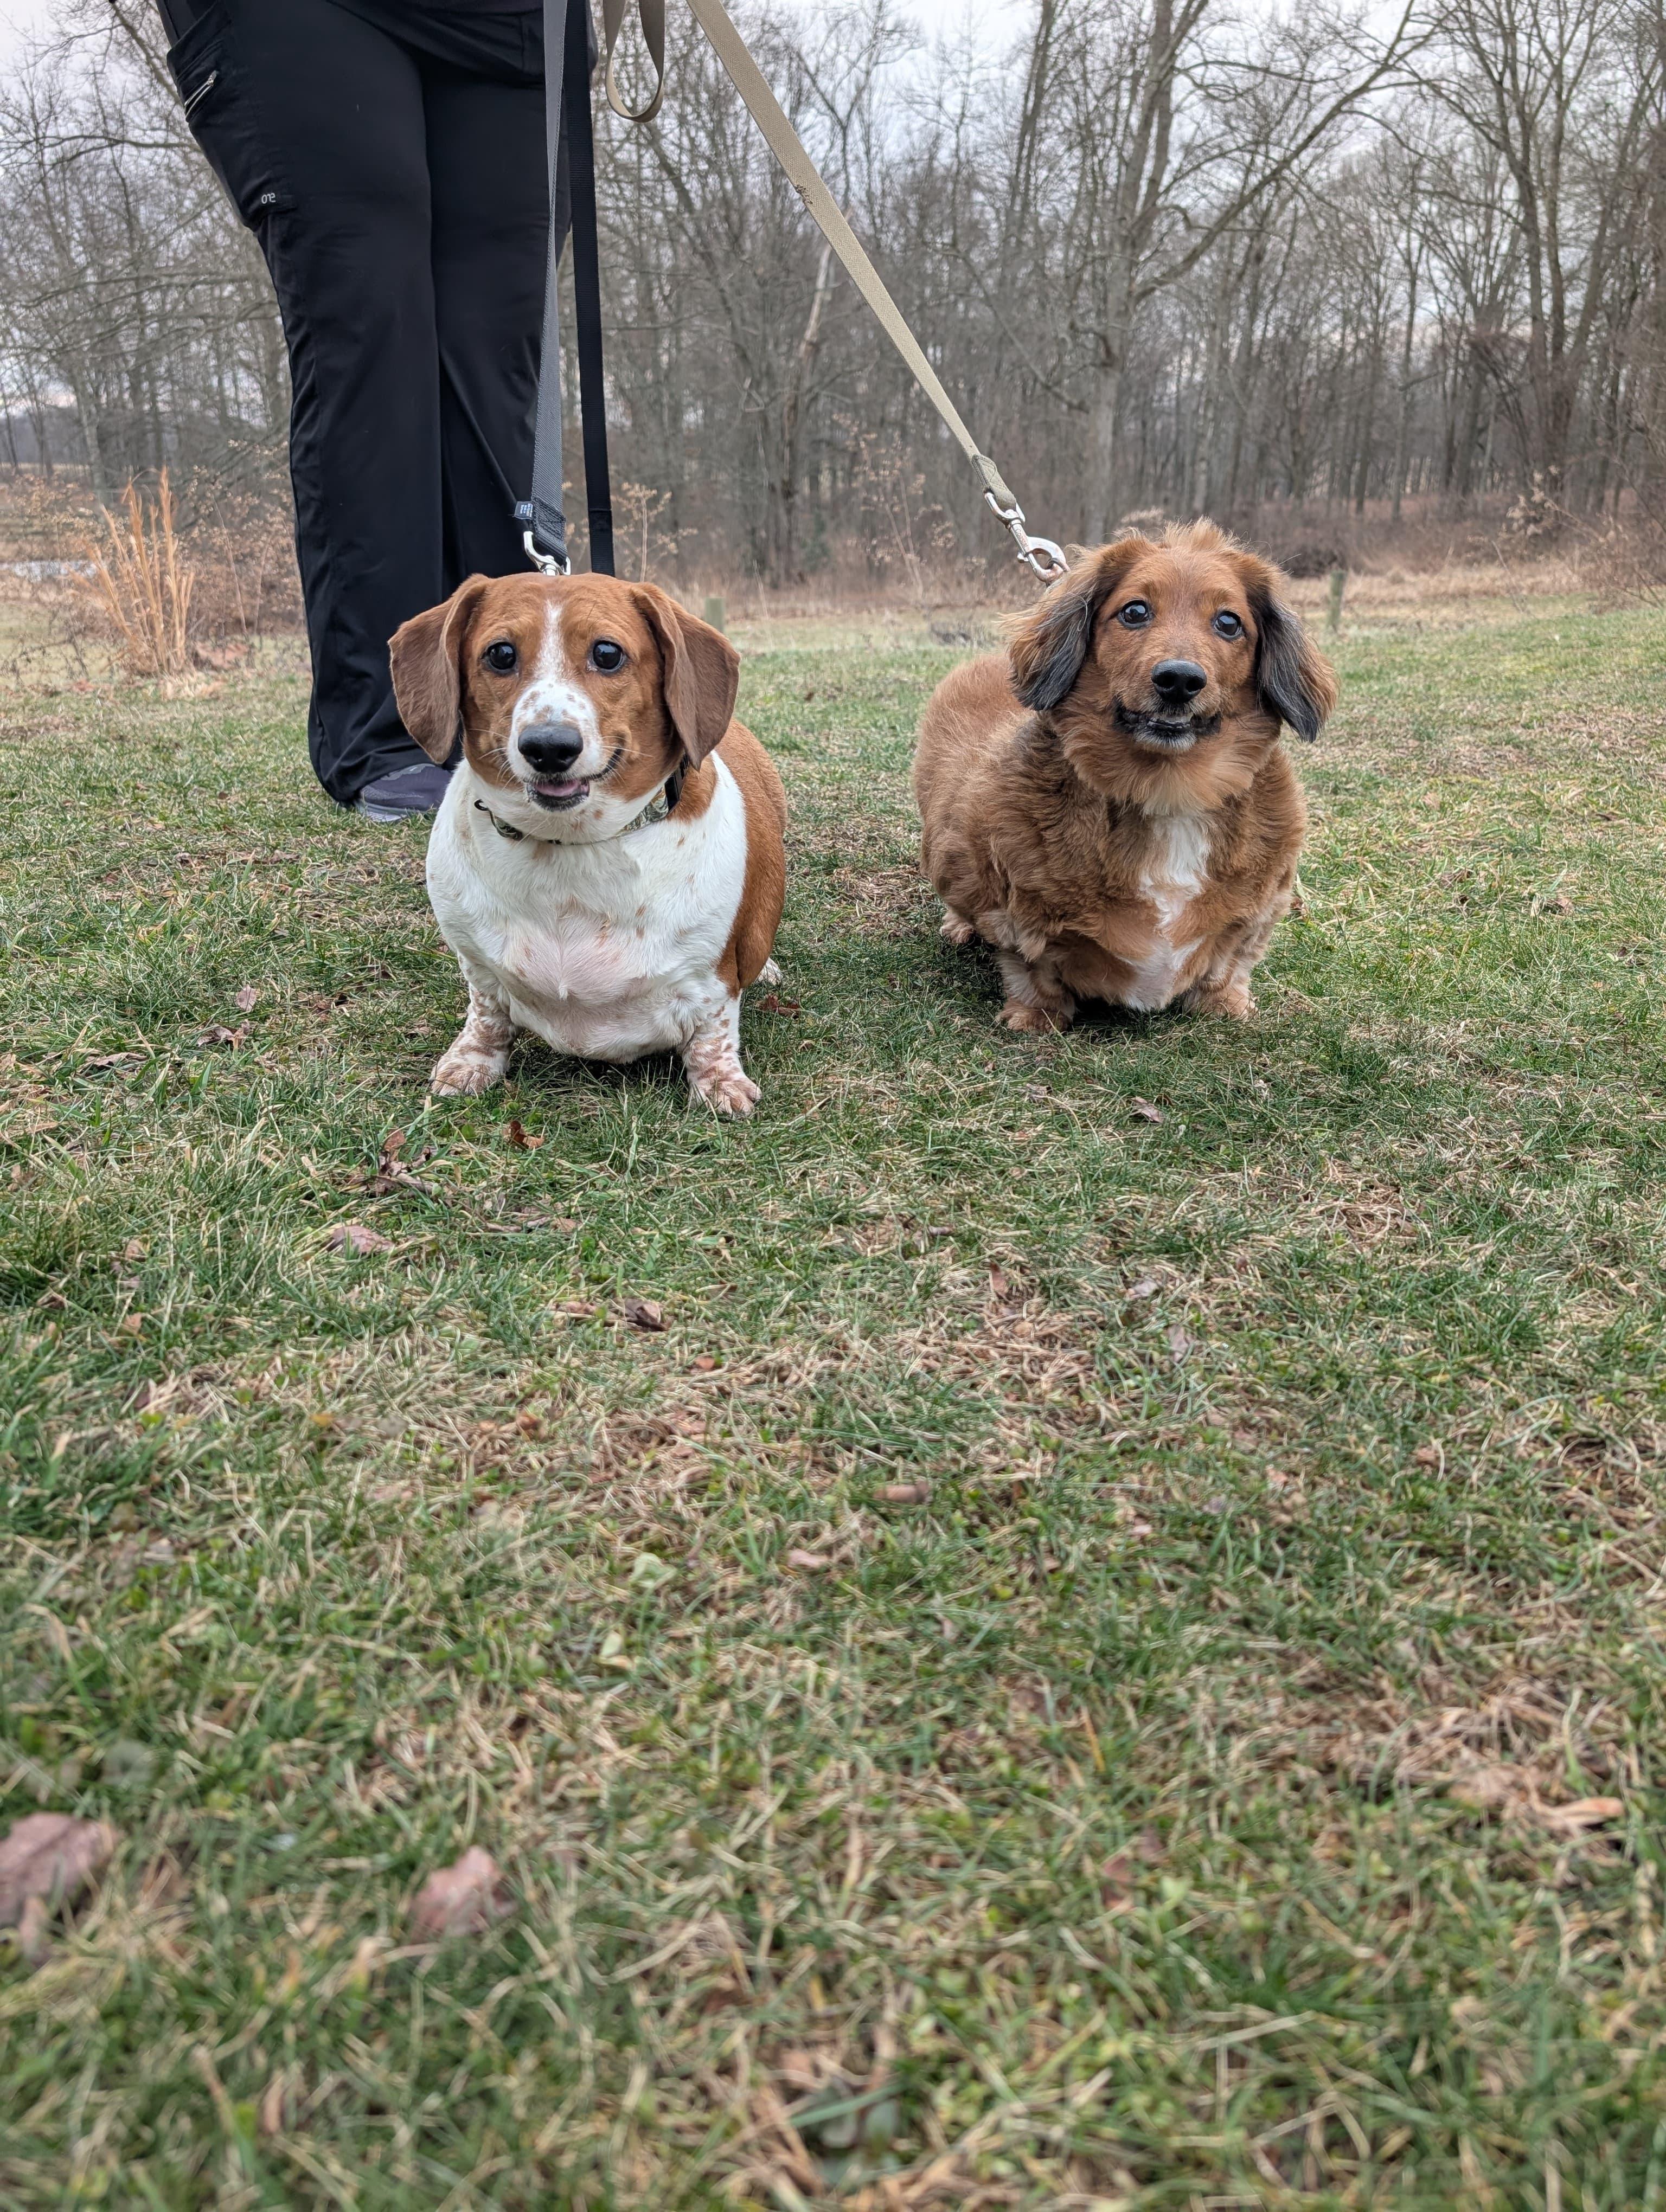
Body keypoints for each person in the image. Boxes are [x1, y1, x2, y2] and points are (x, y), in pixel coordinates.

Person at [156, 0, 564, 821]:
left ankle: (516, 714)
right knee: (373, 337)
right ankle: (392, 731)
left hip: (513, 18)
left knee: (498, 353)